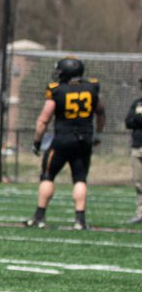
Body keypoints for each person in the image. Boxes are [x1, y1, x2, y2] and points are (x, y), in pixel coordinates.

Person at [25, 57, 105, 230]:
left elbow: (43, 120)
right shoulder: (92, 88)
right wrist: (98, 134)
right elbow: (101, 112)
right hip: (84, 139)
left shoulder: (57, 90)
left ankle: (39, 217)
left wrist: (37, 142)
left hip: (62, 139)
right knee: (80, 179)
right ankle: (80, 220)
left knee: (47, 176)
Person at [125, 77, 142, 225]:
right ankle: (140, 212)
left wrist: (138, 119)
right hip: (137, 147)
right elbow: (129, 122)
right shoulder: (137, 103)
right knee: (139, 183)